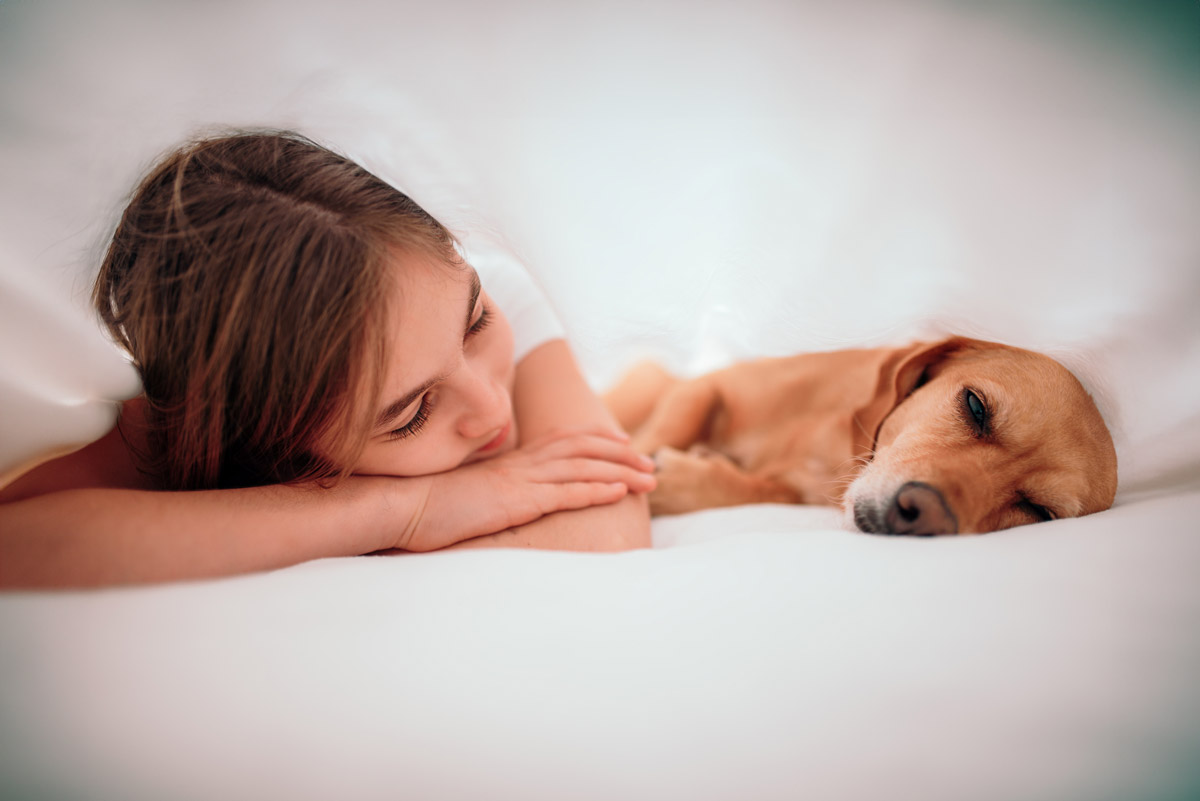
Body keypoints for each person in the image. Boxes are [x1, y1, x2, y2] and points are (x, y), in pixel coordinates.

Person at [0, 131, 655, 588]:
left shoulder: (477, 281)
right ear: (276, 447)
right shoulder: (196, 424)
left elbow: (611, 523)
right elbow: (18, 546)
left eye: (477, 324)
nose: (490, 407)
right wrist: (406, 510)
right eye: (410, 413)